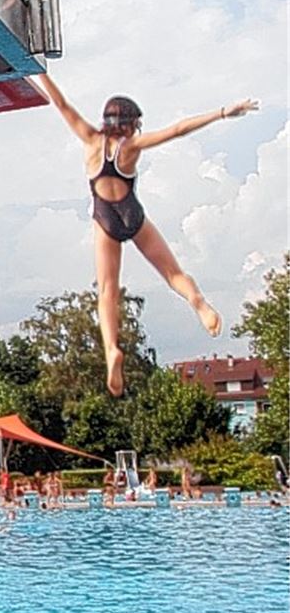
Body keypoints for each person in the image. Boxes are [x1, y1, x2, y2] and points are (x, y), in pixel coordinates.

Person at [37, 73, 258, 397]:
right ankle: (198, 303)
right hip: (132, 213)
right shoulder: (132, 147)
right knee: (174, 274)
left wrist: (39, 71)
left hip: (104, 218)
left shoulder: (89, 139)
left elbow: (61, 104)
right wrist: (223, 112)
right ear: (128, 124)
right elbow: (177, 129)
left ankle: (111, 350)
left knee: (108, 291)